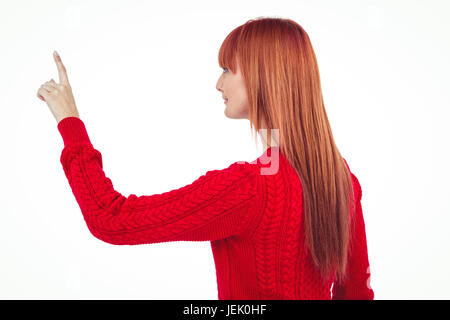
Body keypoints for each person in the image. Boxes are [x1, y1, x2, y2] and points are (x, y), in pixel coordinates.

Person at [43, 17, 374, 300]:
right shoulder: (342, 181)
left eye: (228, 70)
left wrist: (69, 122)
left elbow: (110, 218)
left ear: (264, 76)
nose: (219, 84)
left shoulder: (248, 190)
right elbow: (357, 293)